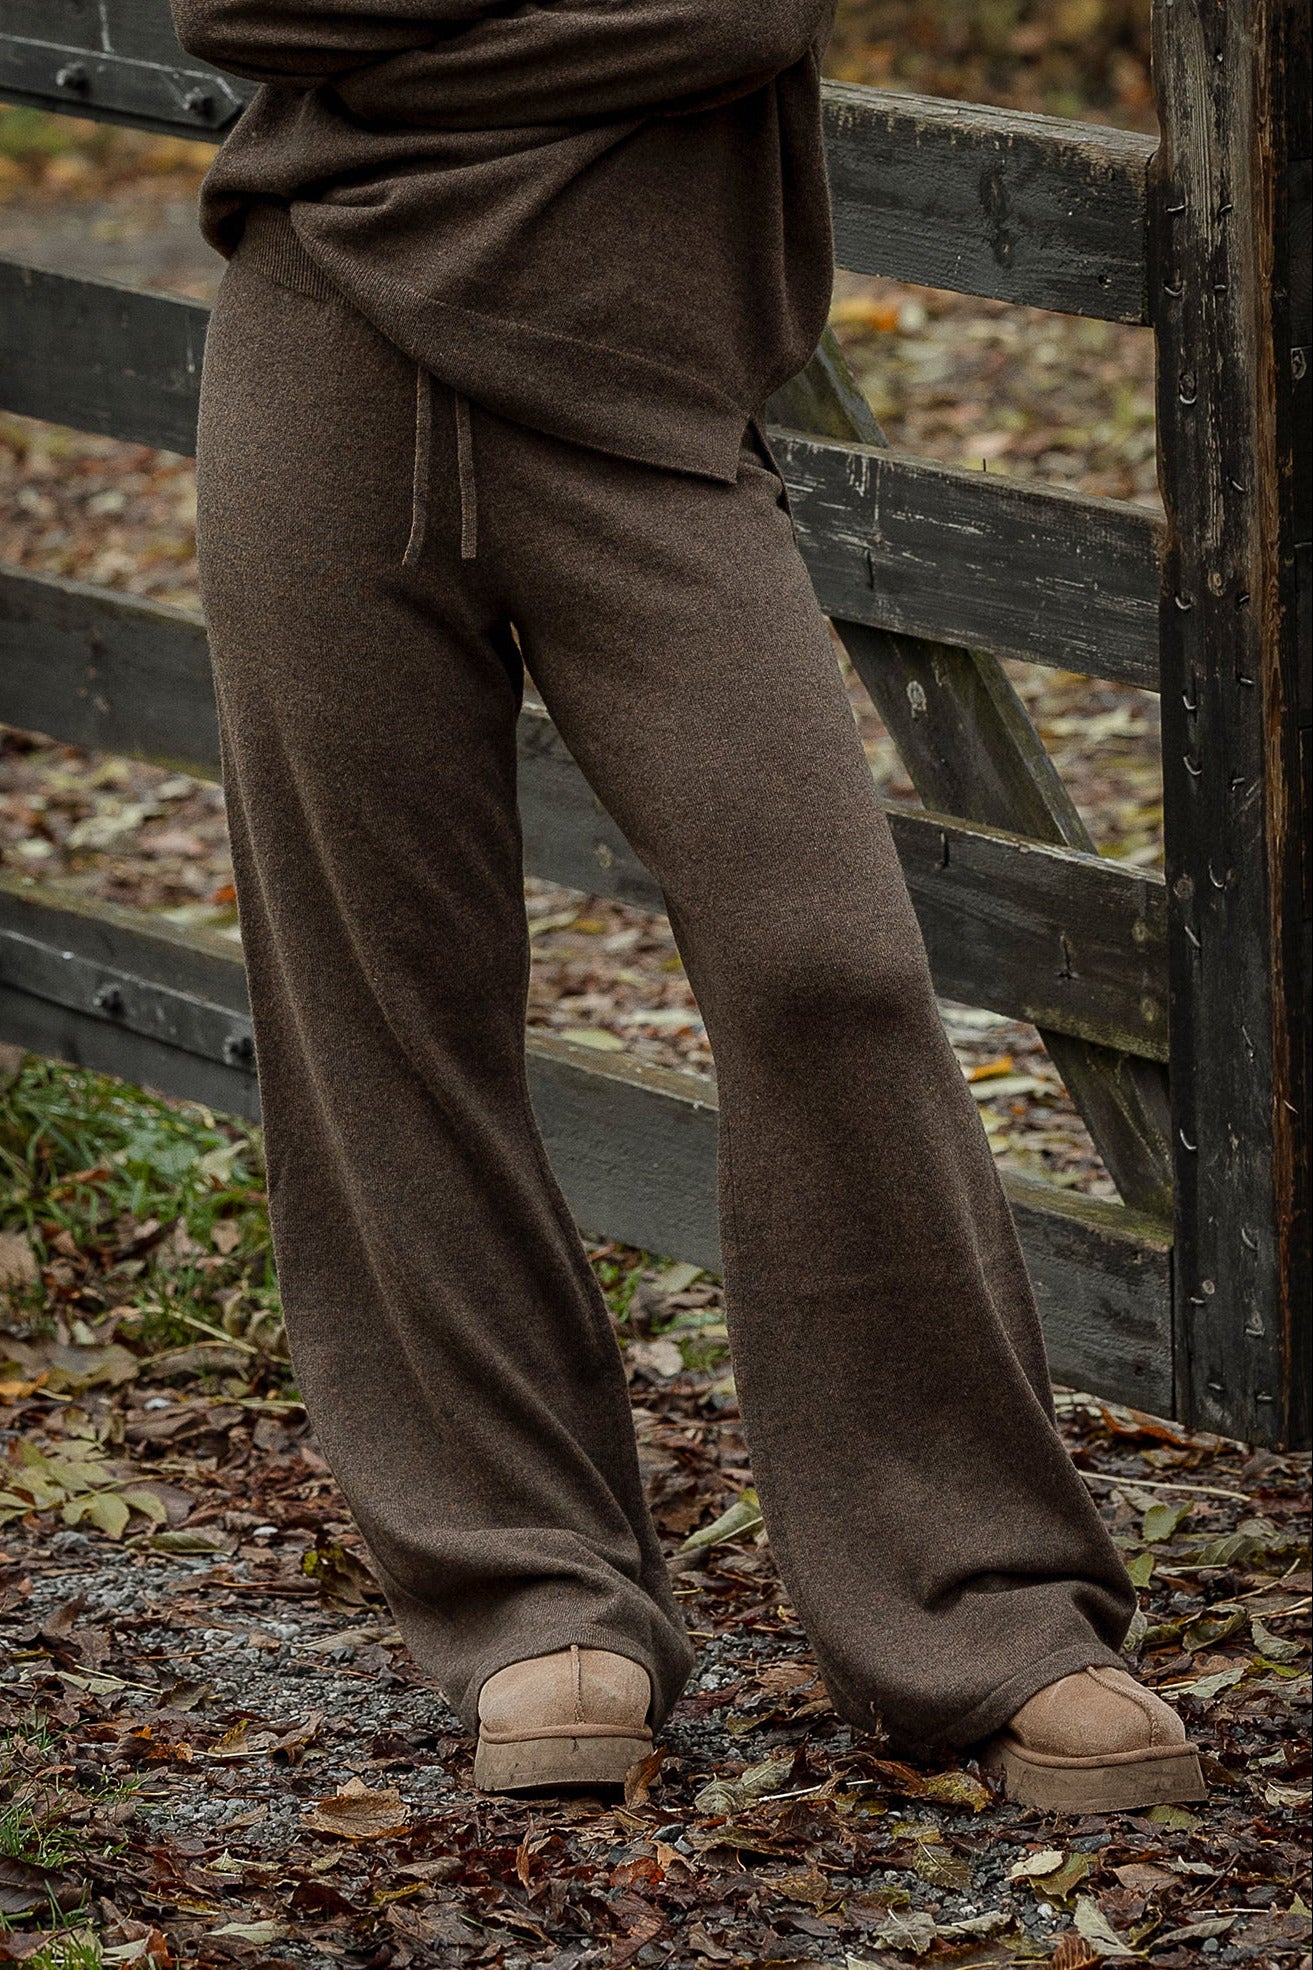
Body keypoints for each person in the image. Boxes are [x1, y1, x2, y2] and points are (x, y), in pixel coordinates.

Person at [170, 0, 1204, 1811]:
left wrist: (406, 64)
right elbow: (243, 6)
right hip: (319, 348)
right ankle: (532, 1590)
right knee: (379, 997)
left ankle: (982, 1601)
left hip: (641, 403)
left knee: (831, 970)